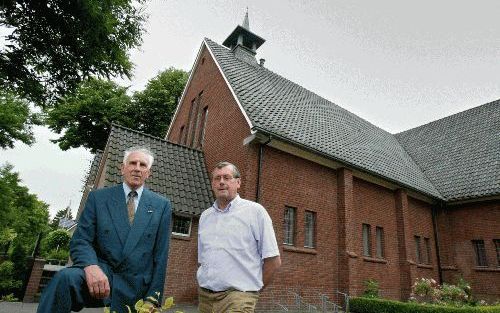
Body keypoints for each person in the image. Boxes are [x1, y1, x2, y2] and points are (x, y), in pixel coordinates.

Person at [37, 146, 172, 313]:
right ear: (123, 168)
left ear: (148, 173)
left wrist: (153, 298)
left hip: (136, 284)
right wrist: (90, 265)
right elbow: (81, 240)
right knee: (64, 278)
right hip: (101, 274)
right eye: (132, 163)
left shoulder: (162, 205)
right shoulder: (98, 198)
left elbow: (160, 256)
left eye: (143, 165)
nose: (137, 168)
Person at [197, 161, 282, 313]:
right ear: (212, 184)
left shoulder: (255, 212)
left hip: (238, 298)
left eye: (227, 177)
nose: (221, 182)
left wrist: (252, 292)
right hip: (205, 297)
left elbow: (273, 261)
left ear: (238, 182)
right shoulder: (205, 216)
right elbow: (202, 259)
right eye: (217, 178)